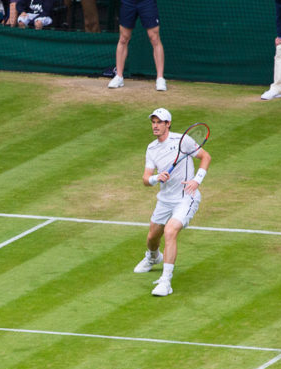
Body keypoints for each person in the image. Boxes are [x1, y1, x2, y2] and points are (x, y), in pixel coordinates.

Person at [134, 108, 211, 296]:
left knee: (170, 231)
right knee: (152, 237)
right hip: (165, 200)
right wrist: (156, 178)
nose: (155, 125)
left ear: (168, 124)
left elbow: (205, 157)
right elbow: (145, 179)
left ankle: (166, 282)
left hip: (186, 198)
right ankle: (153, 258)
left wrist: (196, 180)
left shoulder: (182, 141)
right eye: (153, 122)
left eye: (159, 122)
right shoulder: (151, 148)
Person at [107, 0, 165, 91]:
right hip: (128, 2)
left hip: (147, 2)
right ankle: (119, 76)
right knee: (123, 38)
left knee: (154, 38)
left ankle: (160, 78)